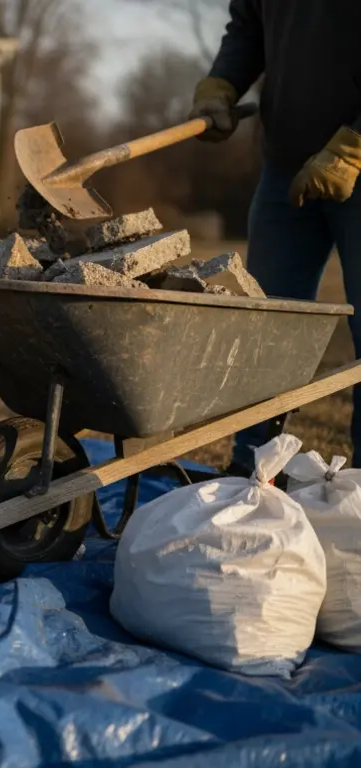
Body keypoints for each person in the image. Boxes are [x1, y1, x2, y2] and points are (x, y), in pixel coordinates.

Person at [190, 0, 361, 473]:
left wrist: (353, 149)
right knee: (264, 322)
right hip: (286, 163)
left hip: (358, 156)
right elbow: (248, 26)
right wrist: (222, 82)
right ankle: (253, 470)